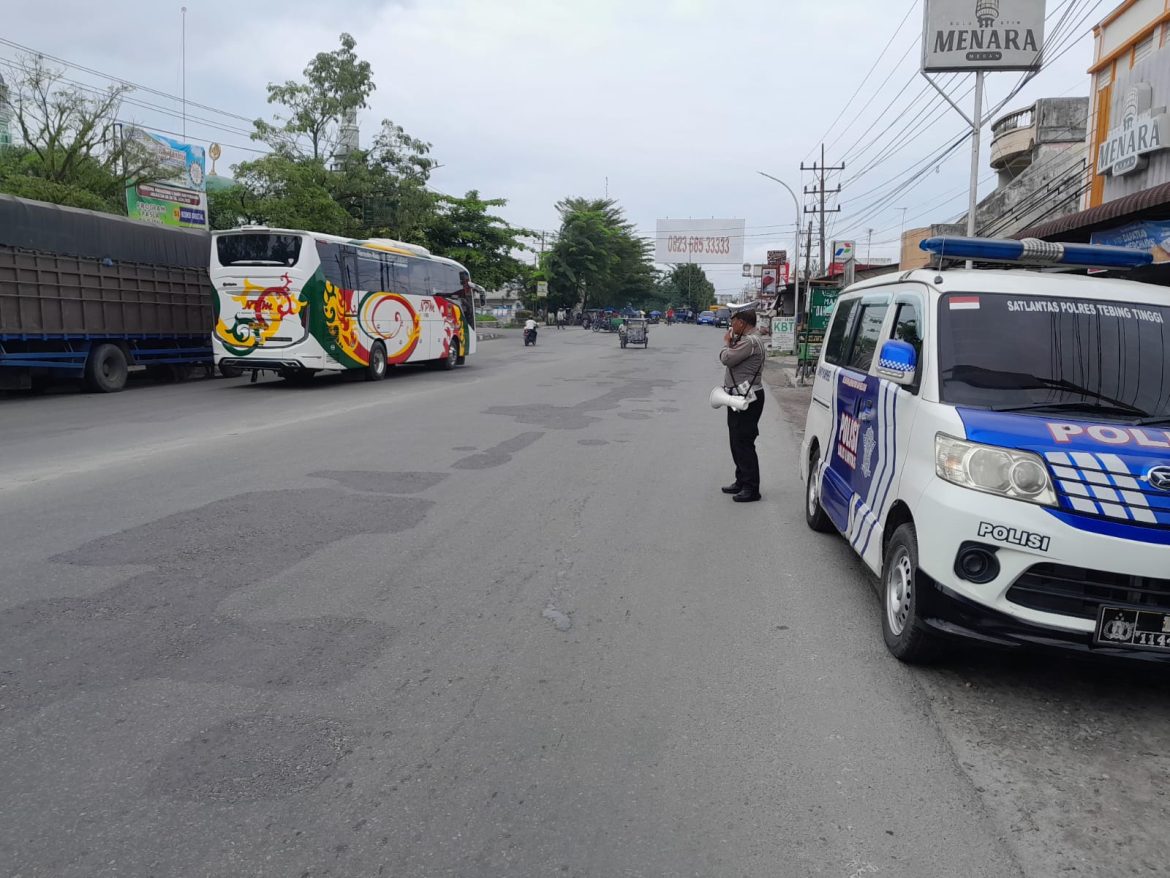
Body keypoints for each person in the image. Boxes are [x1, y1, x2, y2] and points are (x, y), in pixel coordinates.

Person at [718, 306, 766, 502]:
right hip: (739, 397)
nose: (731, 324)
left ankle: (751, 488)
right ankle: (741, 481)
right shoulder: (748, 341)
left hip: (748, 398)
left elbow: (727, 359)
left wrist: (726, 344)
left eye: (734, 321)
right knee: (736, 441)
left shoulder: (749, 342)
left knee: (744, 442)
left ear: (743, 323)